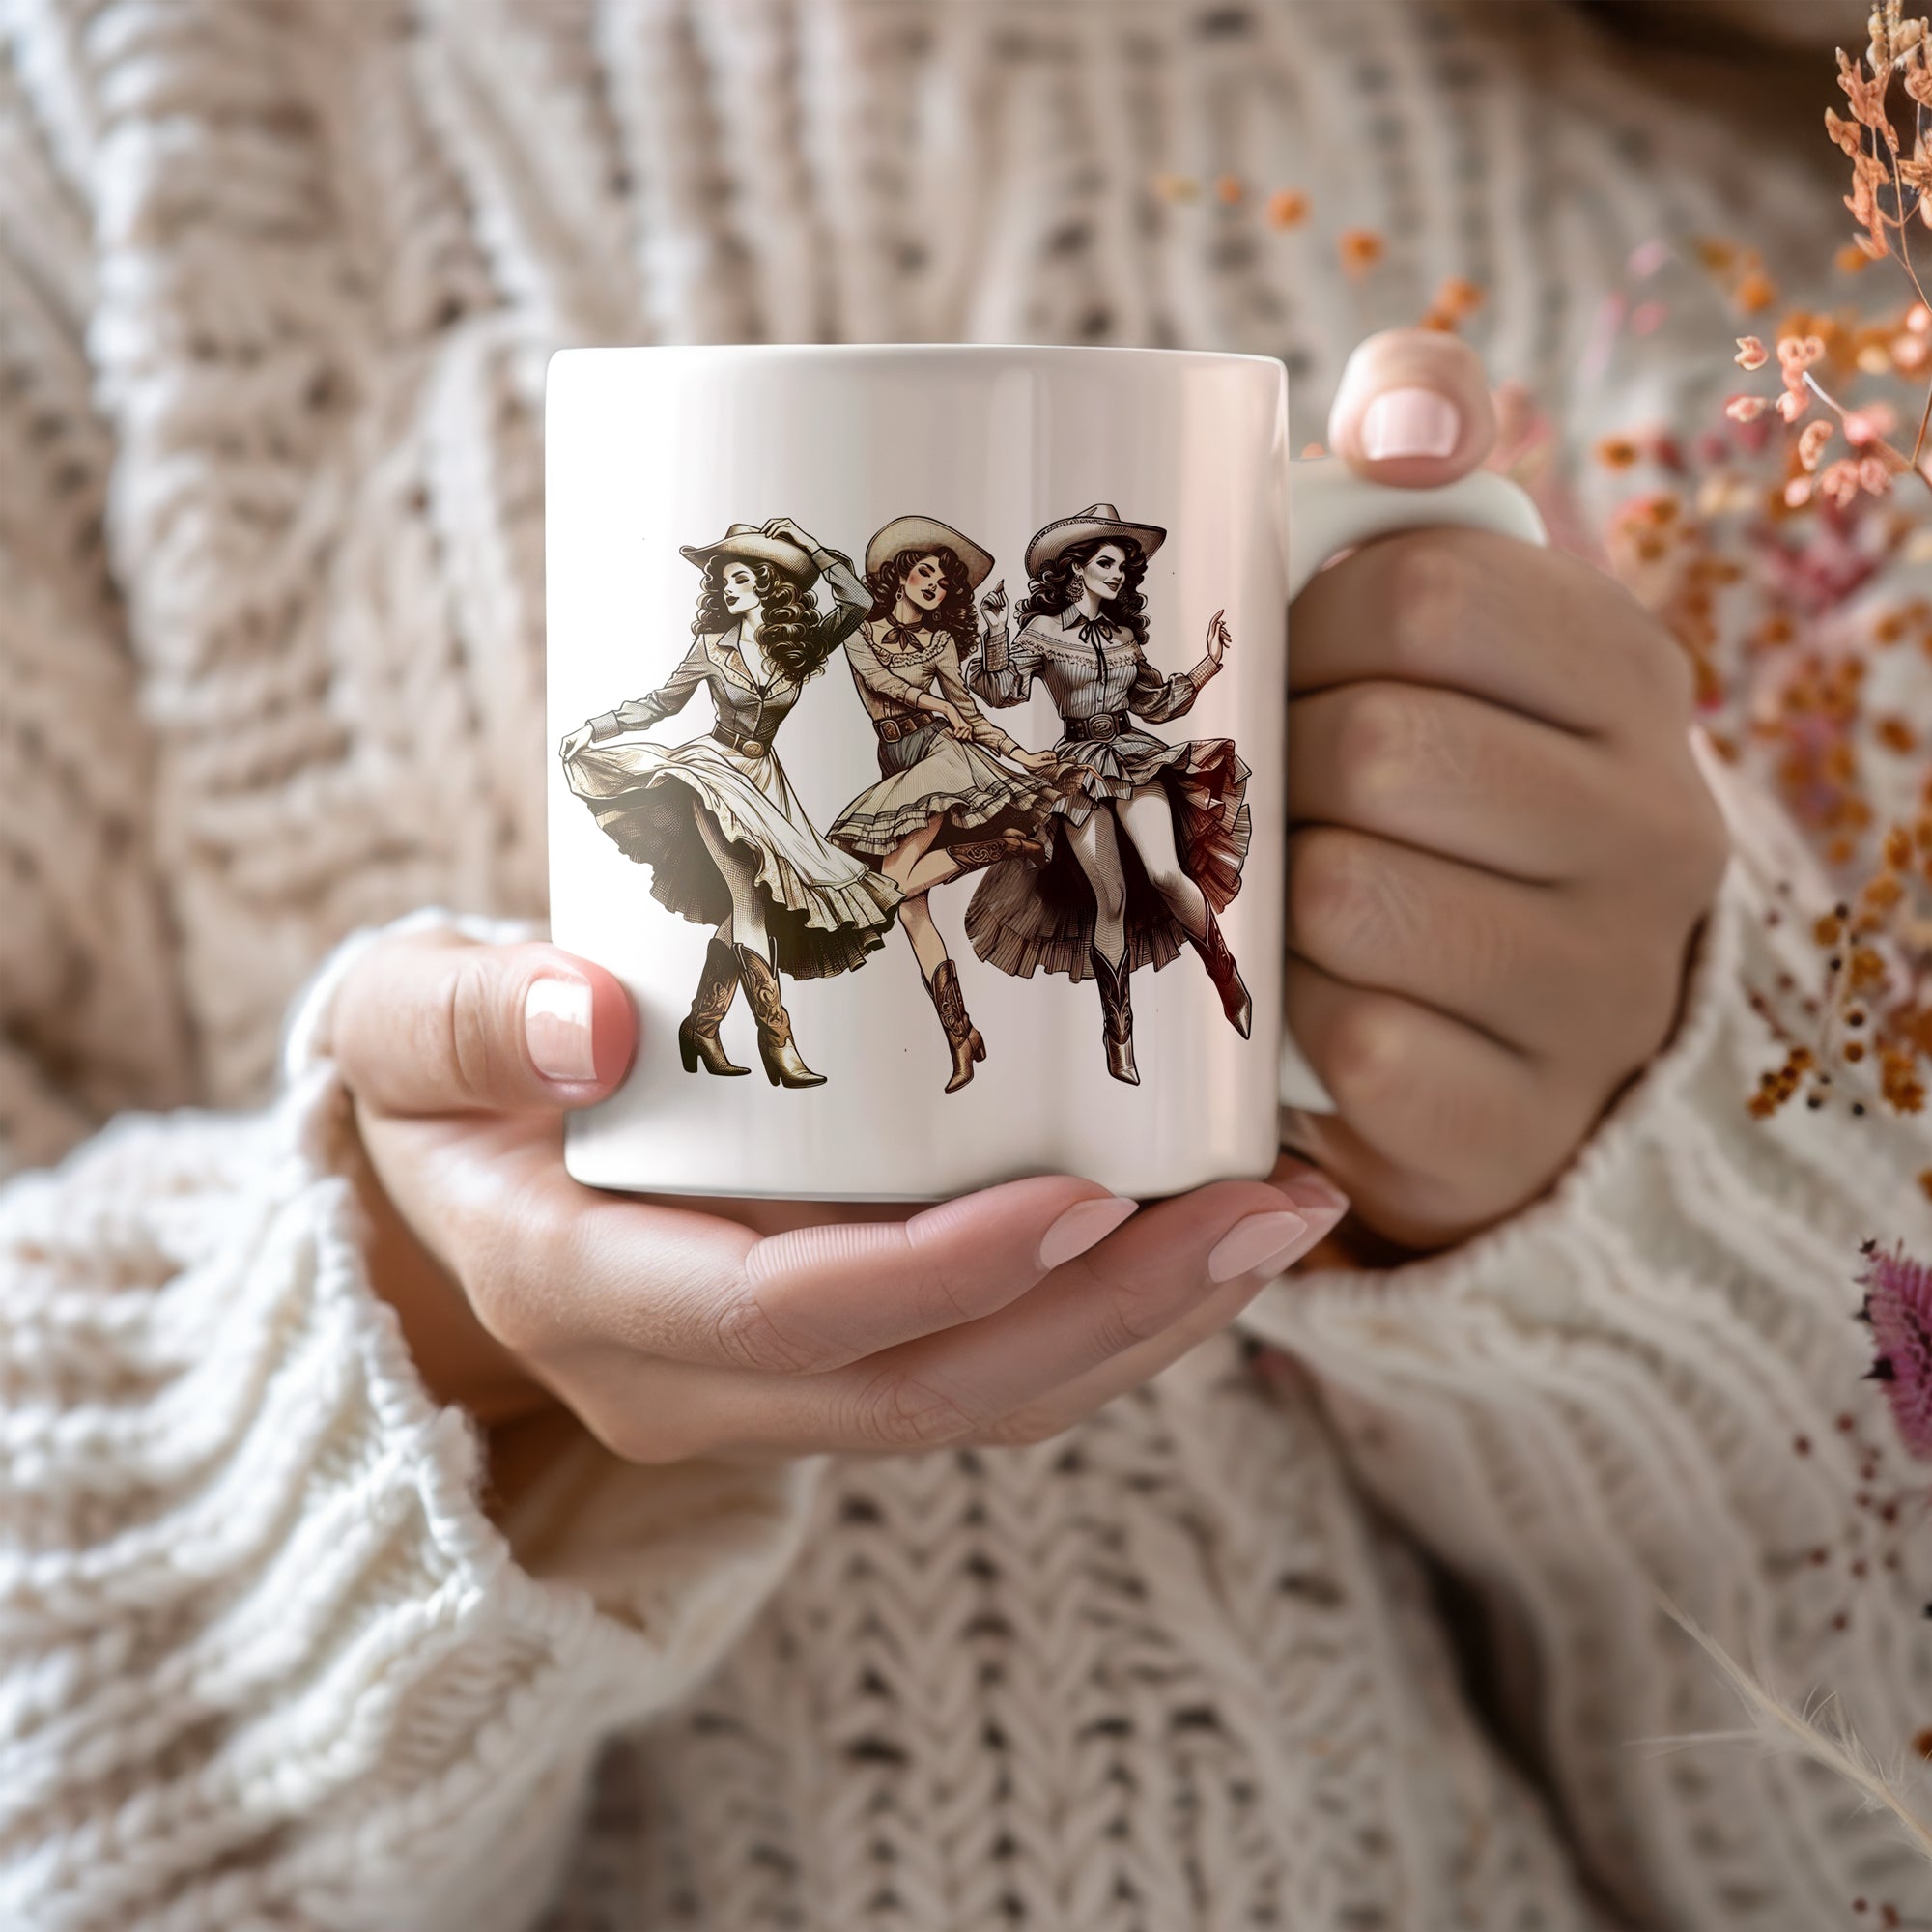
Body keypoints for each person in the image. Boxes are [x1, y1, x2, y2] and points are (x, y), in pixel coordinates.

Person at [2, 4, 1925, 1928]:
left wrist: (1651, 1213)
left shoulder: (1817, 231)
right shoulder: (115, 123)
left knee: (1098, 905)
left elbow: (1847, 1852)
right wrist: (412, 1333)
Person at [558, 518, 900, 1088]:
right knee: (748, 900)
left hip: (767, 783)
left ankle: (701, 1025)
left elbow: (858, 602)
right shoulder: (710, 647)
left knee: (749, 907)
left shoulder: (799, 644)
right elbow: (660, 704)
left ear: (770, 585)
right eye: (724, 579)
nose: (727, 587)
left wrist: (811, 546)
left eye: (741, 577)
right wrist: (596, 727)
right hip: (713, 772)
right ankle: (779, 1043)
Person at [967, 506, 1251, 1083]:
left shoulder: (1123, 637)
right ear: (1076, 569)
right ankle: (1118, 1033)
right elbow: (1001, 691)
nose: (1117, 574)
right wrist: (995, 630)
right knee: (1110, 898)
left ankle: (1225, 973)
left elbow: (1156, 704)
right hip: (1076, 769)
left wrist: (1210, 664)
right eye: (1105, 563)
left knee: (1166, 873)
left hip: (1134, 755)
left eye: (1122, 566)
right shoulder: (1042, 632)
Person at [826, 516, 1060, 1091]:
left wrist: (1021, 755)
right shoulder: (859, 632)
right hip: (896, 761)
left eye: (944, 578)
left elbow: (969, 714)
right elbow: (881, 683)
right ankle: (961, 1035)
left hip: (940, 758)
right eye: (925, 572)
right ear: (899, 576)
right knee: (910, 910)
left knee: (888, 890)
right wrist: (937, 703)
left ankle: (1000, 845)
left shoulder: (941, 642)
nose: (936, 584)